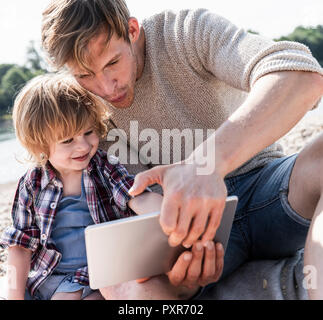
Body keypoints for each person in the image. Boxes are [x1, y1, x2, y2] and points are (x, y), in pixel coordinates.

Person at [41, 0, 323, 299]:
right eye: (85, 76)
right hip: (188, 236)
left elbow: (300, 75)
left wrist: (206, 164)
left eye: (112, 63)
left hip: (267, 191)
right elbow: (132, 204)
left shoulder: (184, 32)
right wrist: (184, 280)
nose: (107, 88)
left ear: (132, 30)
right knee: (125, 290)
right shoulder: (84, 107)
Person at [0, 73, 208, 300]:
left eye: (88, 132)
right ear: (40, 145)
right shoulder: (31, 184)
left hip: (102, 276)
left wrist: (176, 215)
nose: (83, 146)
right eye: (68, 141)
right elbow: (19, 247)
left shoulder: (104, 166)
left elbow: (137, 196)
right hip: (50, 278)